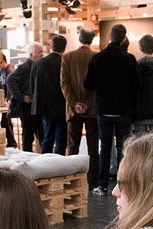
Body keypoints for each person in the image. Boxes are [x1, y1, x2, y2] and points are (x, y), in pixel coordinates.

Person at [83, 24, 140, 197]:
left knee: (105, 148)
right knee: (123, 149)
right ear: (124, 38)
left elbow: (88, 84)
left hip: (103, 110)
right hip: (124, 111)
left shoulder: (97, 58)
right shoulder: (129, 59)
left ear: (109, 37)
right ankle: (122, 186)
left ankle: (102, 185)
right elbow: (137, 85)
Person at [60, 27, 99, 191]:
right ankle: (93, 181)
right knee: (92, 146)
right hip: (92, 109)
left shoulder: (68, 57)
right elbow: (98, 86)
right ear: (92, 40)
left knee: (73, 146)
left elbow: (64, 83)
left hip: (72, 109)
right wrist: (87, 104)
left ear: (79, 38)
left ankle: (72, 181)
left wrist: (75, 103)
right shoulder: (96, 57)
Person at [31, 35, 68, 155]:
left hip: (44, 106)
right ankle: (59, 166)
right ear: (64, 48)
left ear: (50, 46)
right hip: (62, 106)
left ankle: (46, 166)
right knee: (61, 140)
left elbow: (32, 86)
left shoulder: (38, 64)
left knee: (47, 138)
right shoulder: (64, 63)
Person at [6, 42, 44, 152]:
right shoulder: (25, 67)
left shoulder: (37, 65)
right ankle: (27, 160)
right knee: (28, 136)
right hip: (27, 107)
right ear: (32, 54)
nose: (42, 54)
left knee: (41, 134)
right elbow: (10, 79)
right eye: (39, 52)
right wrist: (21, 97)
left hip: (36, 106)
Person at [0, 53, 17, 148]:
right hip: (4, 102)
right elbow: (0, 85)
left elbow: (11, 87)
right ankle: (11, 143)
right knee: (6, 122)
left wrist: (9, 100)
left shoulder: (10, 71)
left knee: (5, 122)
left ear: (3, 61)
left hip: (9, 102)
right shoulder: (2, 71)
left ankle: (12, 143)